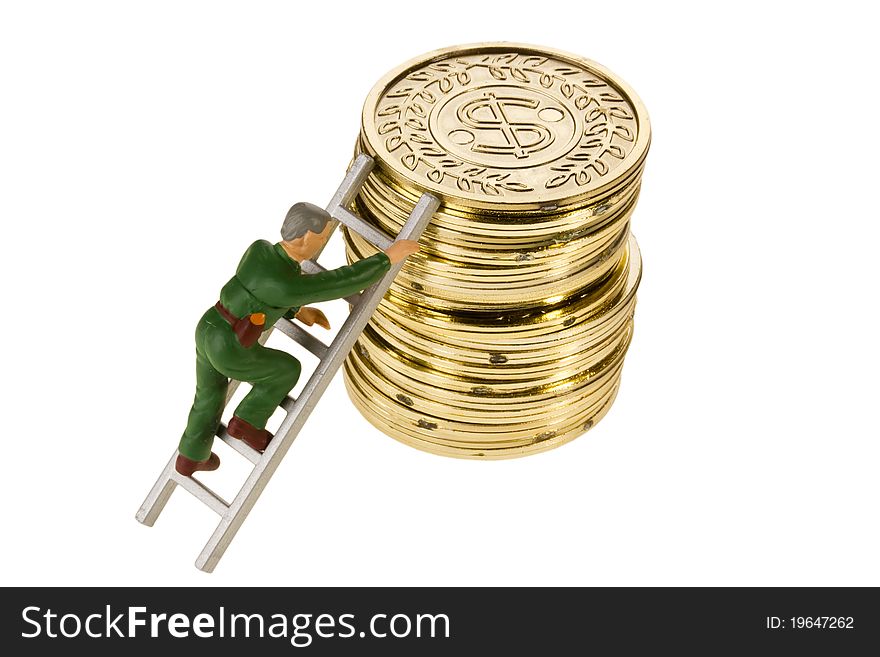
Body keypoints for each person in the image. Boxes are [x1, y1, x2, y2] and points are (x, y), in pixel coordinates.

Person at [175, 202, 419, 476]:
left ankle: (190, 456)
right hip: (231, 345)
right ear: (304, 237)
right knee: (285, 369)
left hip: (209, 326)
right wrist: (386, 258)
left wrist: (299, 311)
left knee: (208, 395)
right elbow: (337, 282)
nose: (324, 241)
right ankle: (248, 421)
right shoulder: (285, 285)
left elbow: (257, 291)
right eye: (322, 237)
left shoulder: (259, 249)